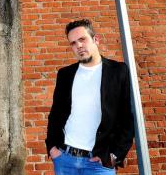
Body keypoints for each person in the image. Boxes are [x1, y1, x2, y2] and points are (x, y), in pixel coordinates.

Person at [45, 19, 134, 175]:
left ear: (96, 39)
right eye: (73, 43)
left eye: (82, 39)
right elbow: (56, 114)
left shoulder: (117, 71)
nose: (78, 45)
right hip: (65, 159)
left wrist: (114, 156)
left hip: (99, 163)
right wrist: (52, 148)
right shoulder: (65, 74)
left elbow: (126, 118)